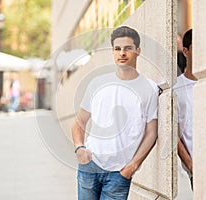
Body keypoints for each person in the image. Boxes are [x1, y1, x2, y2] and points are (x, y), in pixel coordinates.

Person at [71, 26, 159, 200]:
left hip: (120, 172)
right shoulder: (98, 83)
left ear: (138, 51)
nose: (122, 53)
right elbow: (79, 121)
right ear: (113, 51)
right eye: (117, 49)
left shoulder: (149, 88)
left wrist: (131, 168)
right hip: (90, 165)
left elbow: (152, 132)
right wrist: (79, 148)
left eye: (128, 48)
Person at [173, 29, 197, 190]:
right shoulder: (175, 88)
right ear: (186, 51)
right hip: (195, 168)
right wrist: (190, 164)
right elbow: (172, 131)